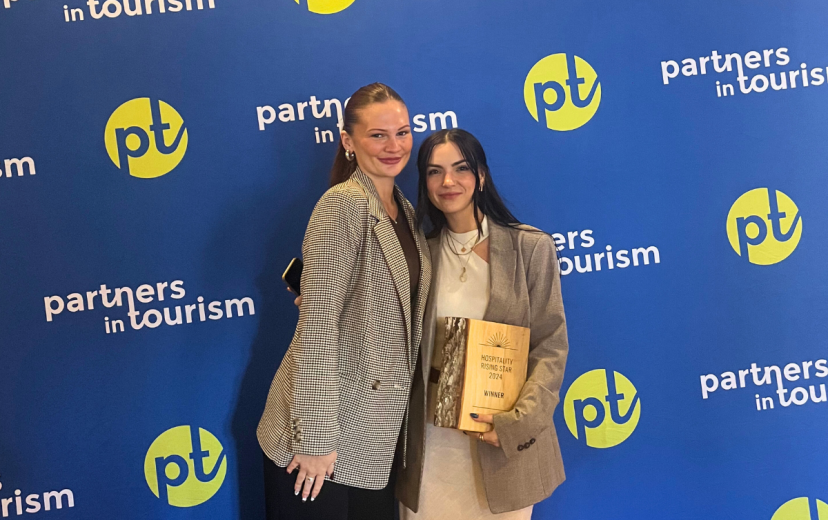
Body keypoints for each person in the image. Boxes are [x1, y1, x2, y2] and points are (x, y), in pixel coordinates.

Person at [257, 83, 431, 520]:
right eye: (378, 135)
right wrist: (315, 441)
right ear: (348, 142)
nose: (394, 146)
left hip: (374, 437)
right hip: (322, 440)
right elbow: (316, 331)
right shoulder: (343, 206)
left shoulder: (404, 210)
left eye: (403, 132)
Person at [396, 129, 569, 518]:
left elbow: (550, 347)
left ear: (482, 176)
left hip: (501, 445)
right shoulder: (419, 258)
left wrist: (516, 424)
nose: (448, 182)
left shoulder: (530, 248)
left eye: (460, 168)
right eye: (434, 172)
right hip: (432, 451)